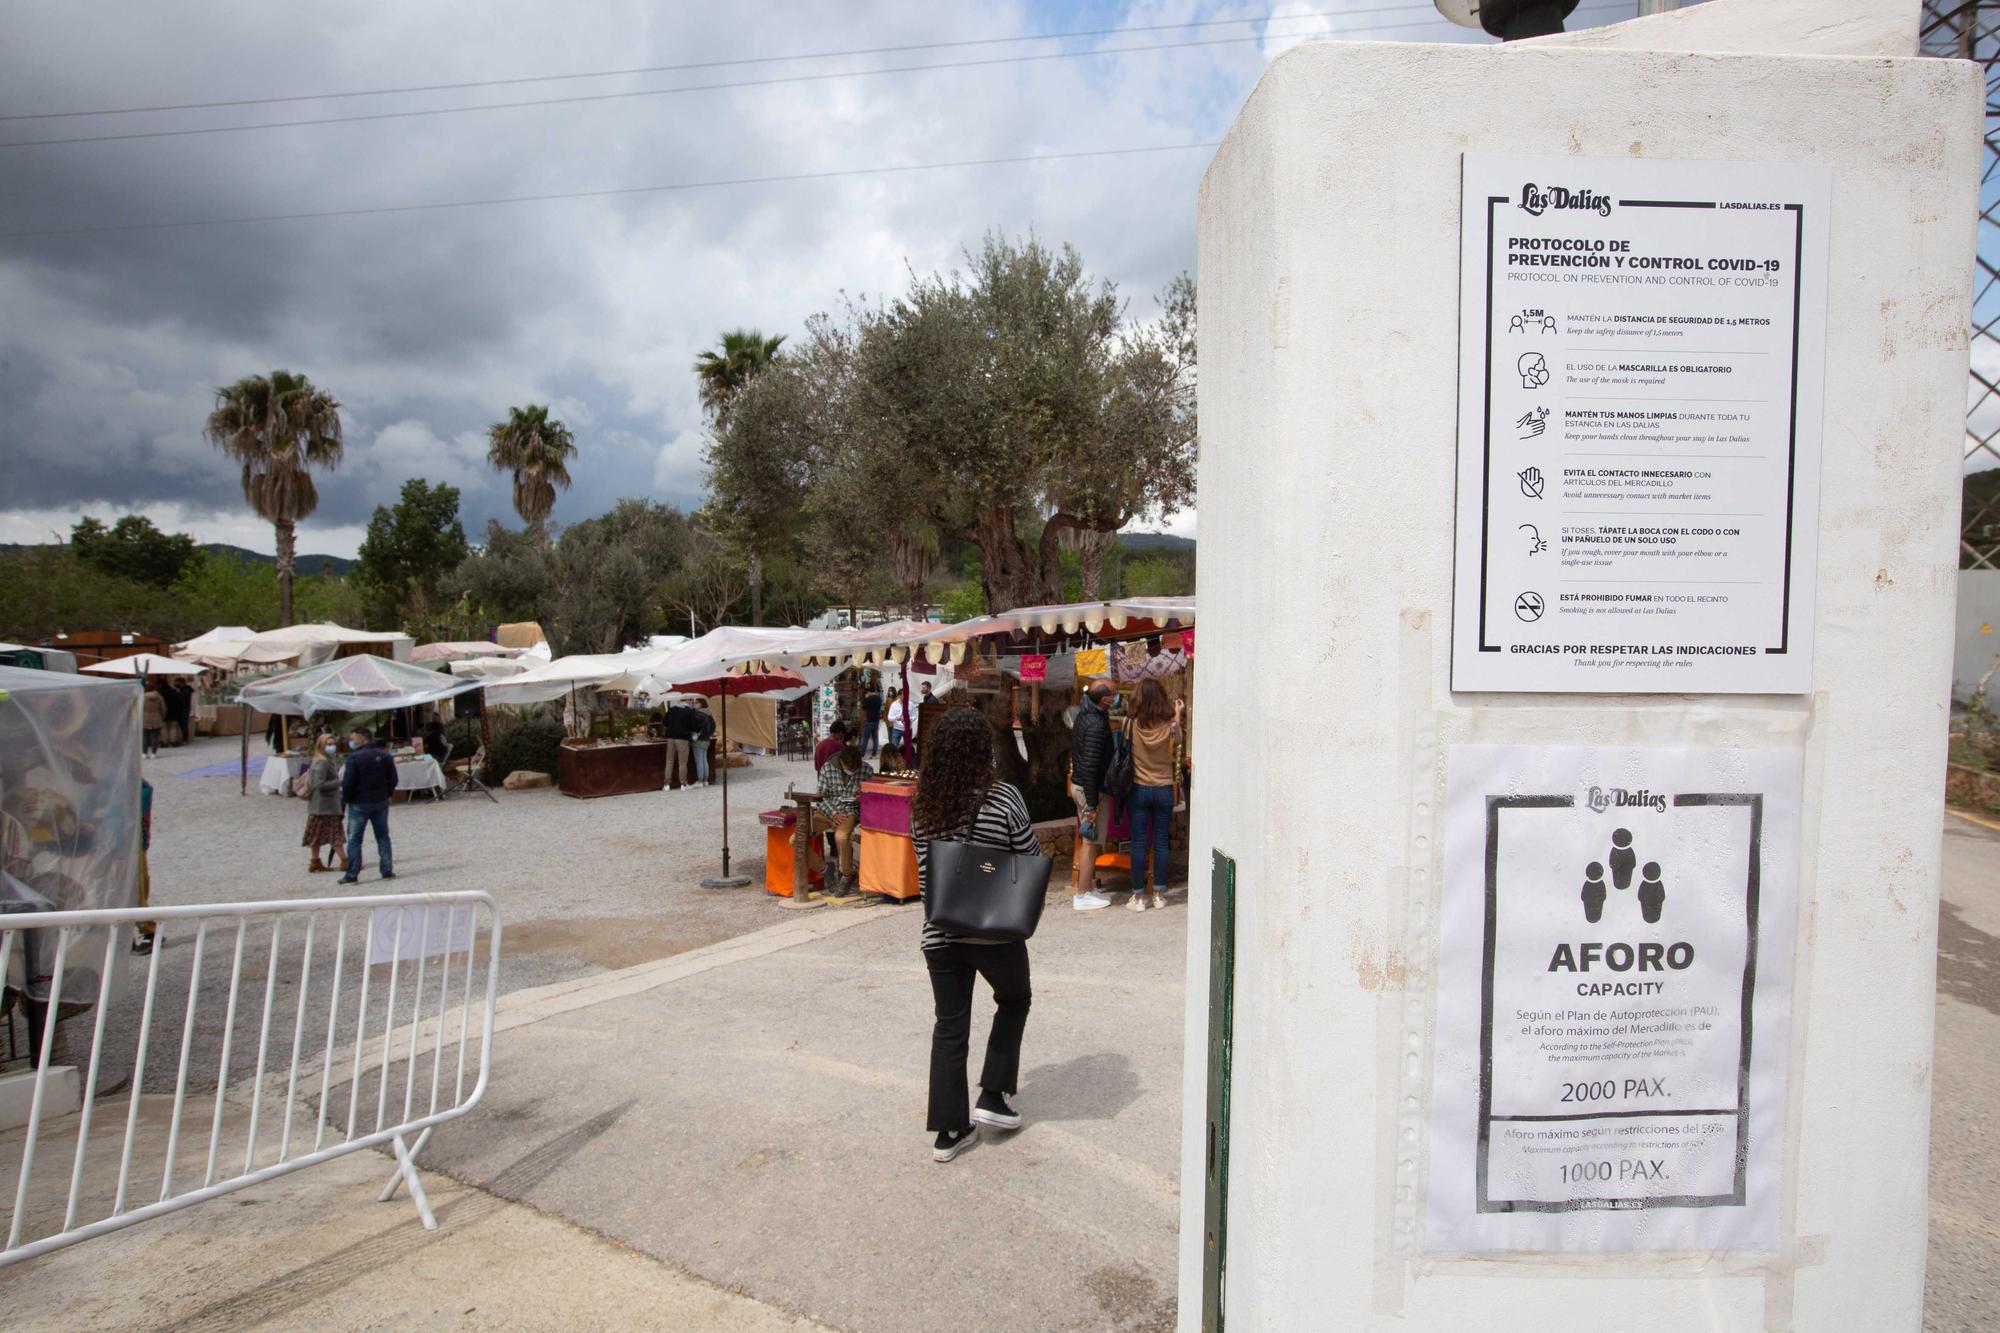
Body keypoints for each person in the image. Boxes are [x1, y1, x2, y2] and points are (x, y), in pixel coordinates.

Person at [911, 708, 1040, 1163]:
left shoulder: (923, 804)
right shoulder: (1003, 797)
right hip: (993, 931)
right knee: (1014, 998)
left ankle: (949, 1131)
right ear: (984, 750)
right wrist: (988, 863)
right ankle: (993, 1095)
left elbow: (927, 875)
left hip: (941, 933)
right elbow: (1027, 856)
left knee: (949, 1026)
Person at [1124, 680, 1184, 912]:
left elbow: (1126, 748)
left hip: (1138, 787)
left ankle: (1138, 897)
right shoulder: (1169, 725)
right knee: (1160, 842)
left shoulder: (1130, 724)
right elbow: (1178, 741)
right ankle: (1159, 893)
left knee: (1139, 842)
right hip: (1163, 787)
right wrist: (1177, 715)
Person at [1067, 679, 1116, 910]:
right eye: (1114, 694)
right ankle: (1083, 892)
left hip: (1082, 785)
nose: (1116, 698)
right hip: (1090, 789)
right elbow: (1090, 764)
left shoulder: (1084, 715)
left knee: (1089, 838)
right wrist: (1093, 803)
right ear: (1105, 699)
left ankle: (1087, 887)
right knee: (1090, 841)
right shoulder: (1096, 724)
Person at [338, 727, 398, 883]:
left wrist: (346, 799)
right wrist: (388, 793)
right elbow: (393, 779)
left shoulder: (354, 758)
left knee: (355, 839)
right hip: (380, 801)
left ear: (361, 738)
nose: (351, 742)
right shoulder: (385, 756)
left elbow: (348, 782)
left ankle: (352, 873)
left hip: (359, 802)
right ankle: (387, 869)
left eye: (353, 739)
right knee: (383, 836)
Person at [815, 728, 864, 895]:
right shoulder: (828, 768)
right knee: (796, 839)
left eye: (856, 768)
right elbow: (820, 797)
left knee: (841, 836)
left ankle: (847, 874)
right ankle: (824, 869)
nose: (854, 771)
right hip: (827, 811)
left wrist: (862, 797)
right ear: (841, 762)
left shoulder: (866, 770)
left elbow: (872, 796)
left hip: (849, 811)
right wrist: (832, 813)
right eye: (850, 768)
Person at [304, 730, 347, 875]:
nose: (332, 746)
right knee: (335, 834)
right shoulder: (322, 762)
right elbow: (319, 784)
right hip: (325, 805)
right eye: (329, 744)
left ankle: (315, 861)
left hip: (319, 806)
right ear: (322, 745)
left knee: (316, 835)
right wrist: (339, 782)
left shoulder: (321, 760)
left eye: (333, 744)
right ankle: (345, 860)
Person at [663, 699, 696, 790]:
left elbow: (664, 723)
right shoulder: (689, 711)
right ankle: (683, 783)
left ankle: (667, 784)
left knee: (669, 761)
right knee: (682, 763)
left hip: (670, 738)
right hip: (683, 738)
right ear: (686, 701)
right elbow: (694, 726)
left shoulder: (671, 709)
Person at [690, 698, 715, 785]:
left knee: (699, 761)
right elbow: (713, 726)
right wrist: (709, 734)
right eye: (693, 703)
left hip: (698, 739)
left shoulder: (697, 715)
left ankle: (700, 780)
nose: (694, 704)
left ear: (701, 704)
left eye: (696, 703)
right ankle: (705, 780)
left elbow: (693, 727)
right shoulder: (709, 714)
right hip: (707, 739)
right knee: (704, 760)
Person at [860, 678, 883, 759]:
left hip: (869, 720)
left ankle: (862, 753)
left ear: (869, 692)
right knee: (875, 737)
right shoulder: (879, 698)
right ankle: (874, 753)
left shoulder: (869, 699)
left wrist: (866, 698)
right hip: (876, 720)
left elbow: (864, 707)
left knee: (865, 737)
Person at [140, 684, 165, 758]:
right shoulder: (160, 698)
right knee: (155, 737)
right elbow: (163, 709)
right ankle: (153, 753)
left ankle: (144, 753)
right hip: (156, 718)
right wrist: (162, 717)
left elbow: (140, 709)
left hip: (145, 718)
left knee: (145, 737)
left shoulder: (142, 698)